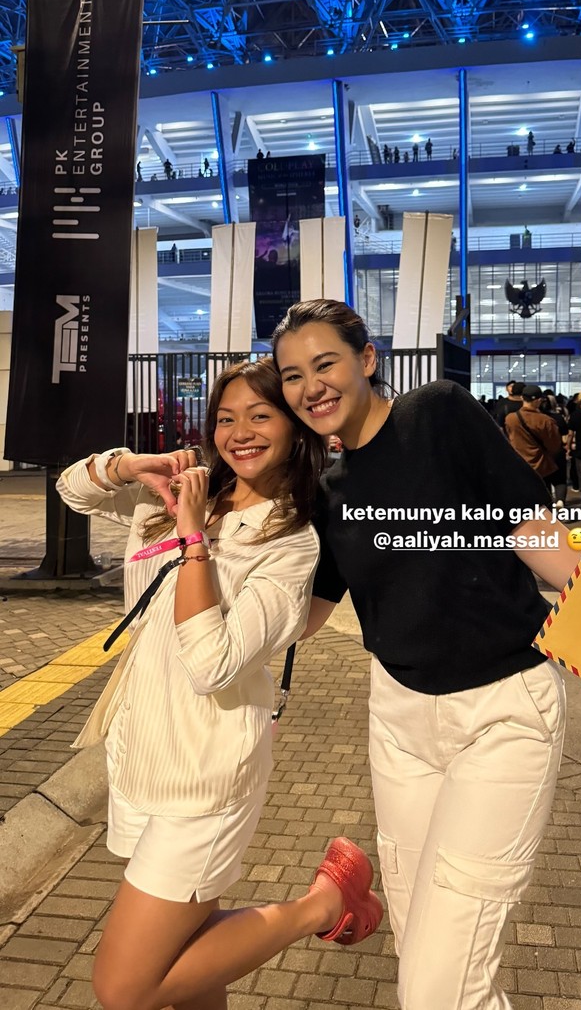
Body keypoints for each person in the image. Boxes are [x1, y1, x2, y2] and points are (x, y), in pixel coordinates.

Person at [272, 300, 578, 1010]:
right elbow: (305, 615)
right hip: (399, 724)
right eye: (292, 376)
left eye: (325, 364)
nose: (311, 387)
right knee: (421, 950)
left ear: (366, 359)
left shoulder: (438, 413)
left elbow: (534, 532)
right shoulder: (331, 489)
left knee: (441, 985)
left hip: (502, 712)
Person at [56, 359, 382, 1010]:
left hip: (203, 774)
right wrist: (135, 467)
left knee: (125, 986)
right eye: (226, 418)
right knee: (188, 955)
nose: (240, 432)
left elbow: (211, 663)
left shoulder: (289, 543)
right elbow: (73, 490)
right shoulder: (181, 491)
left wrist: (193, 540)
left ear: (295, 429)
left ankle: (323, 904)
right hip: (142, 752)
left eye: (261, 416)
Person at [505, 385, 563, 492]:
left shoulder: (510, 418)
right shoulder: (546, 421)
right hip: (542, 467)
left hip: (520, 466)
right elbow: (555, 446)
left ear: (522, 398)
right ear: (539, 400)